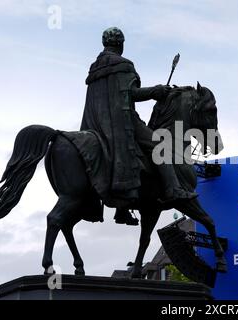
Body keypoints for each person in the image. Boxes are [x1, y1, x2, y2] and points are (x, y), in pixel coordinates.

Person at [81, 27, 197, 226]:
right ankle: (173, 190)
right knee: (159, 146)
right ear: (121, 44)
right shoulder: (123, 65)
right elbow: (130, 94)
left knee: (123, 156)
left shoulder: (94, 69)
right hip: (123, 122)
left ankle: (122, 209)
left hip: (96, 126)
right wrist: (156, 91)